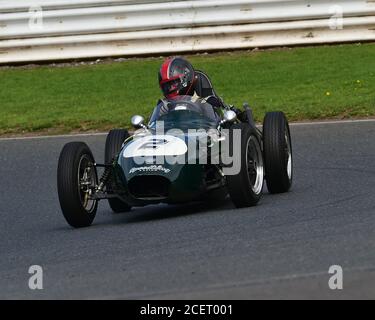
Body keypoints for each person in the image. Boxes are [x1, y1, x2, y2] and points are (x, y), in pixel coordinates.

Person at [157, 57, 225, 115]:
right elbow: (157, 123)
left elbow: (215, 106)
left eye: (173, 83)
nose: (170, 88)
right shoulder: (164, 104)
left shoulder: (199, 80)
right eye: (167, 86)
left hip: (202, 126)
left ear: (186, 77)